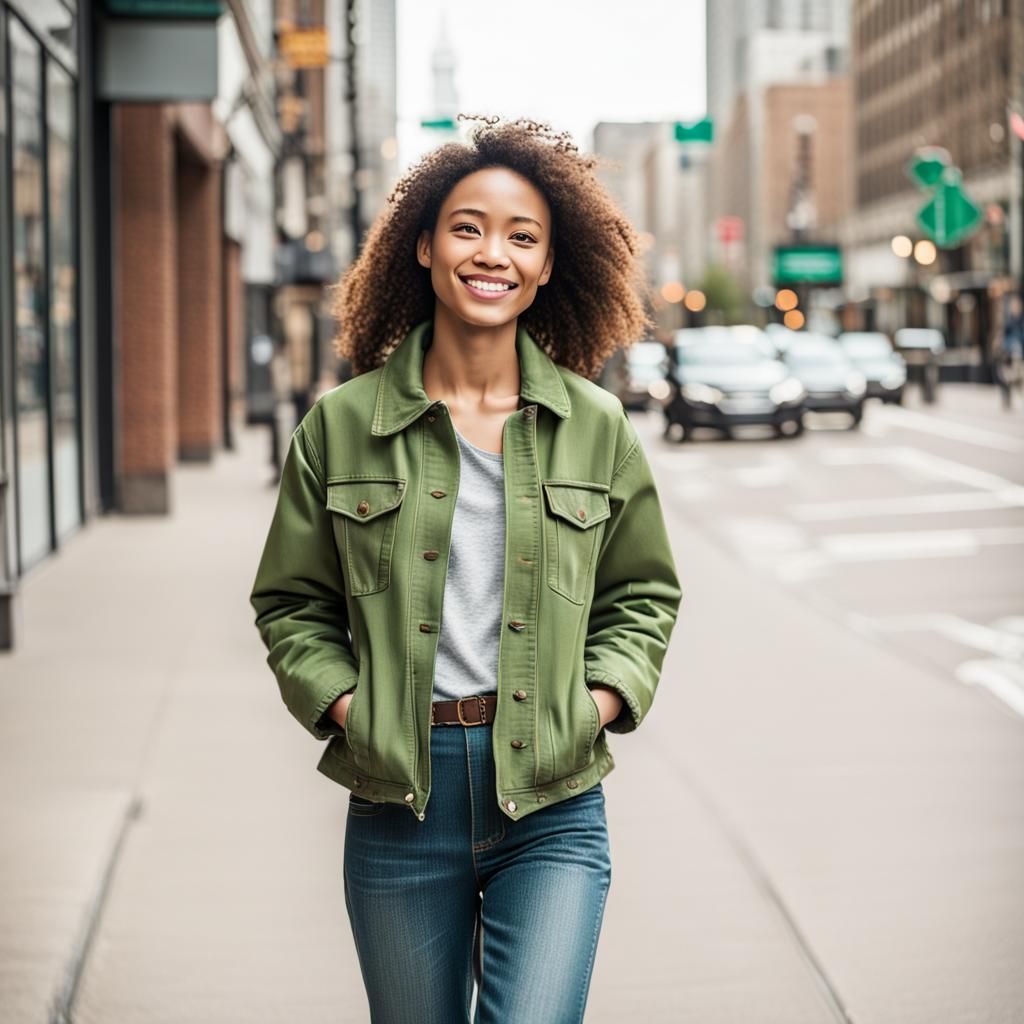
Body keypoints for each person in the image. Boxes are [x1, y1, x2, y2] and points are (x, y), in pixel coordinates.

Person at [249, 114, 682, 1024]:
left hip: (553, 798)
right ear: (423, 246)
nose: (495, 254)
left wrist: (595, 702)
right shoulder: (342, 423)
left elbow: (642, 595)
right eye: (469, 226)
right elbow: (292, 603)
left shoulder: (597, 426)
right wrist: (347, 707)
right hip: (402, 798)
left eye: (523, 236)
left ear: (551, 266)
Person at [995, 294, 1024, 410]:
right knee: (1006, 377)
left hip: (1020, 355)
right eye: (1013, 305)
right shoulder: (1008, 322)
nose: (1015, 308)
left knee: (1019, 377)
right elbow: (1003, 338)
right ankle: (1006, 398)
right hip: (1010, 355)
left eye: (1017, 305)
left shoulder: (1021, 321)